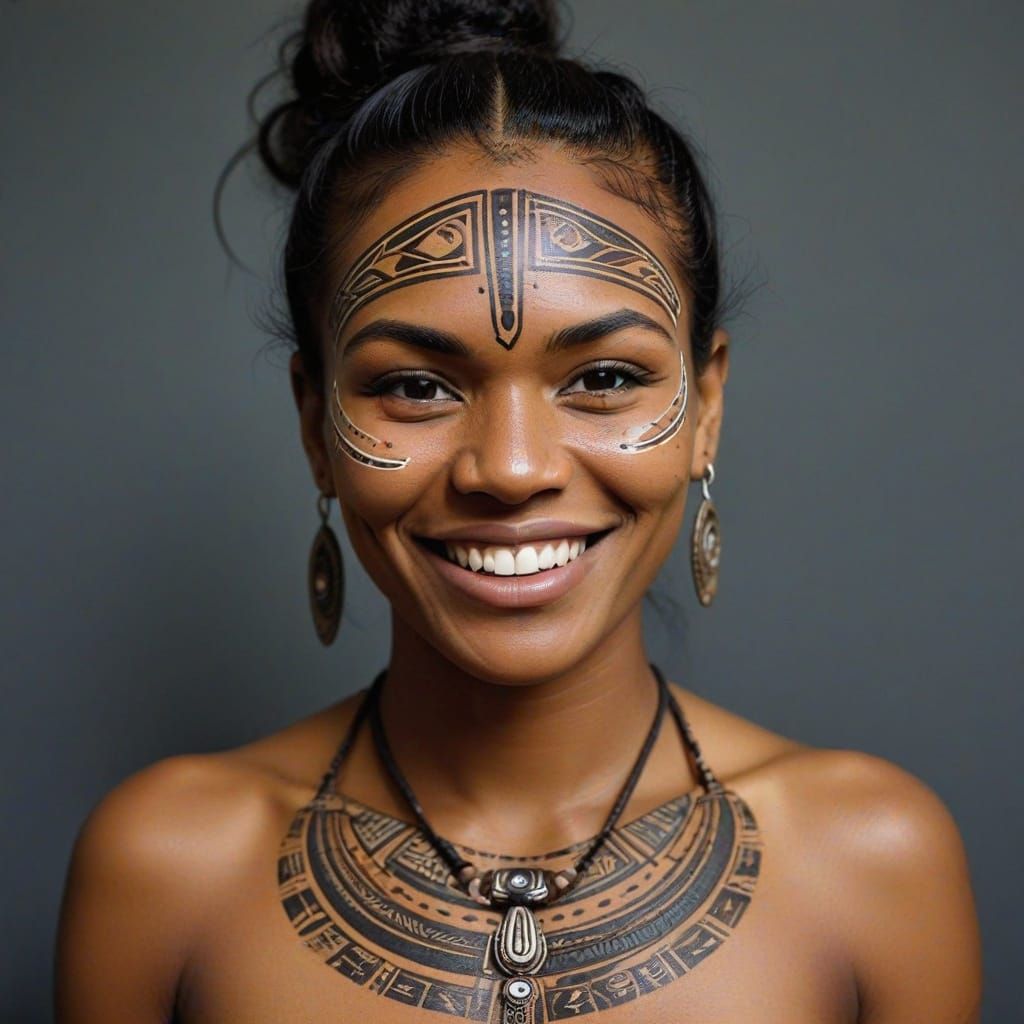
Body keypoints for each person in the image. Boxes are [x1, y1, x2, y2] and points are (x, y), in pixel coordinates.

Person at [54, 2, 982, 1021]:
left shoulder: (871, 861)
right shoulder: (166, 868)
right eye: (415, 386)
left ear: (705, 408)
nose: (510, 468)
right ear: (315, 423)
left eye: (605, 377)